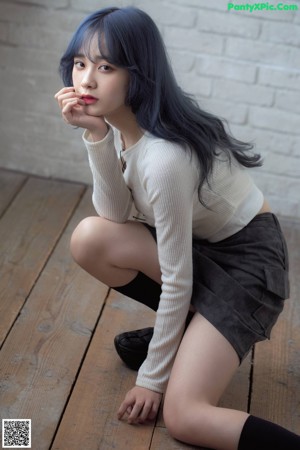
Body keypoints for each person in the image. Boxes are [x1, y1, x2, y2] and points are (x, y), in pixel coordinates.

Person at [55, 6, 299, 449]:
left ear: (138, 74)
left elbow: (178, 276)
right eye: (80, 62)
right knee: (91, 238)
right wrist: (95, 135)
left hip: (247, 267)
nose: (86, 79)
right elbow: (112, 217)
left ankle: (187, 343)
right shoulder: (121, 127)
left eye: (106, 66)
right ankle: (188, 335)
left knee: (185, 417)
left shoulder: (165, 156)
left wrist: (152, 378)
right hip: (196, 249)